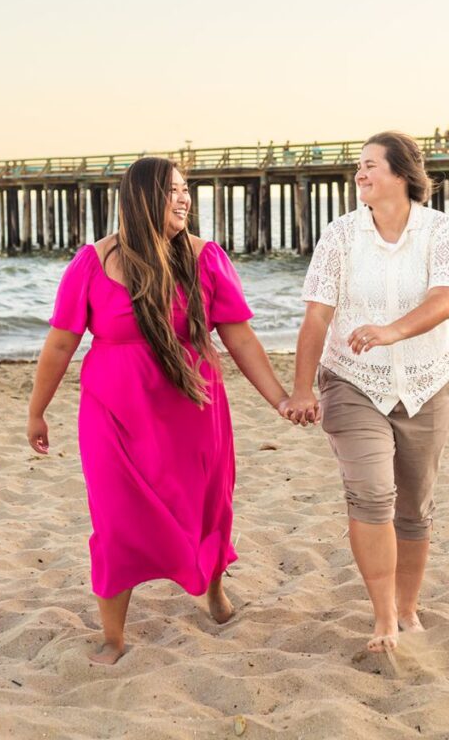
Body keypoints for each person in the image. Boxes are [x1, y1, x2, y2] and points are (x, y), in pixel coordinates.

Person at [27, 157, 289, 664]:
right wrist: (37, 411)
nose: (184, 198)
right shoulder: (92, 263)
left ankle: (211, 589)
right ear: (143, 197)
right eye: (173, 190)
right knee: (116, 519)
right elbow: (60, 345)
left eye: (186, 188)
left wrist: (278, 397)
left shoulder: (204, 258)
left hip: (193, 411)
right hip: (114, 415)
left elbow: (238, 336)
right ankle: (113, 637)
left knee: (208, 505)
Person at [283, 131, 449, 654]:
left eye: (370, 165)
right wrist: (302, 388)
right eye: (358, 167)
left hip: (428, 381)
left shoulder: (441, 231)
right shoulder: (340, 235)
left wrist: (390, 331)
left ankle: (408, 609)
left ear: (402, 174)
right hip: (353, 380)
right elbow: (317, 314)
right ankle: (384, 617)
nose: (360, 174)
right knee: (370, 493)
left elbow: (444, 300)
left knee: (414, 506)